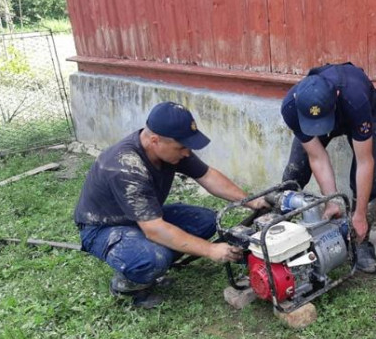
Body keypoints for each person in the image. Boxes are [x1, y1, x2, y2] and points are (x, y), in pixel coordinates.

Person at [74, 101, 268, 308]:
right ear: (155, 140)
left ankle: (158, 258)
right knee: (154, 257)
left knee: (206, 220)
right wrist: (210, 250)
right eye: (182, 147)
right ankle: (127, 285)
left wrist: (252, 201)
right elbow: (155, 229)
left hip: (140, 219)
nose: (186, 153)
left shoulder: (170, 151)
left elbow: (208, 176)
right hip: (104, 228)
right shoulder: (126, 167)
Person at [281, 62, 376, 273]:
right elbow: (317, 157)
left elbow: (365, 162)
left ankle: (360, 235)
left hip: (358, 109)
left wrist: (361, 214)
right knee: (295, 171)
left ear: (336, 94)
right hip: (320, 111)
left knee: (371, 179)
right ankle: (283, 231)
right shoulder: (290, 108)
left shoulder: (356, 100)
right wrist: (332, 201)